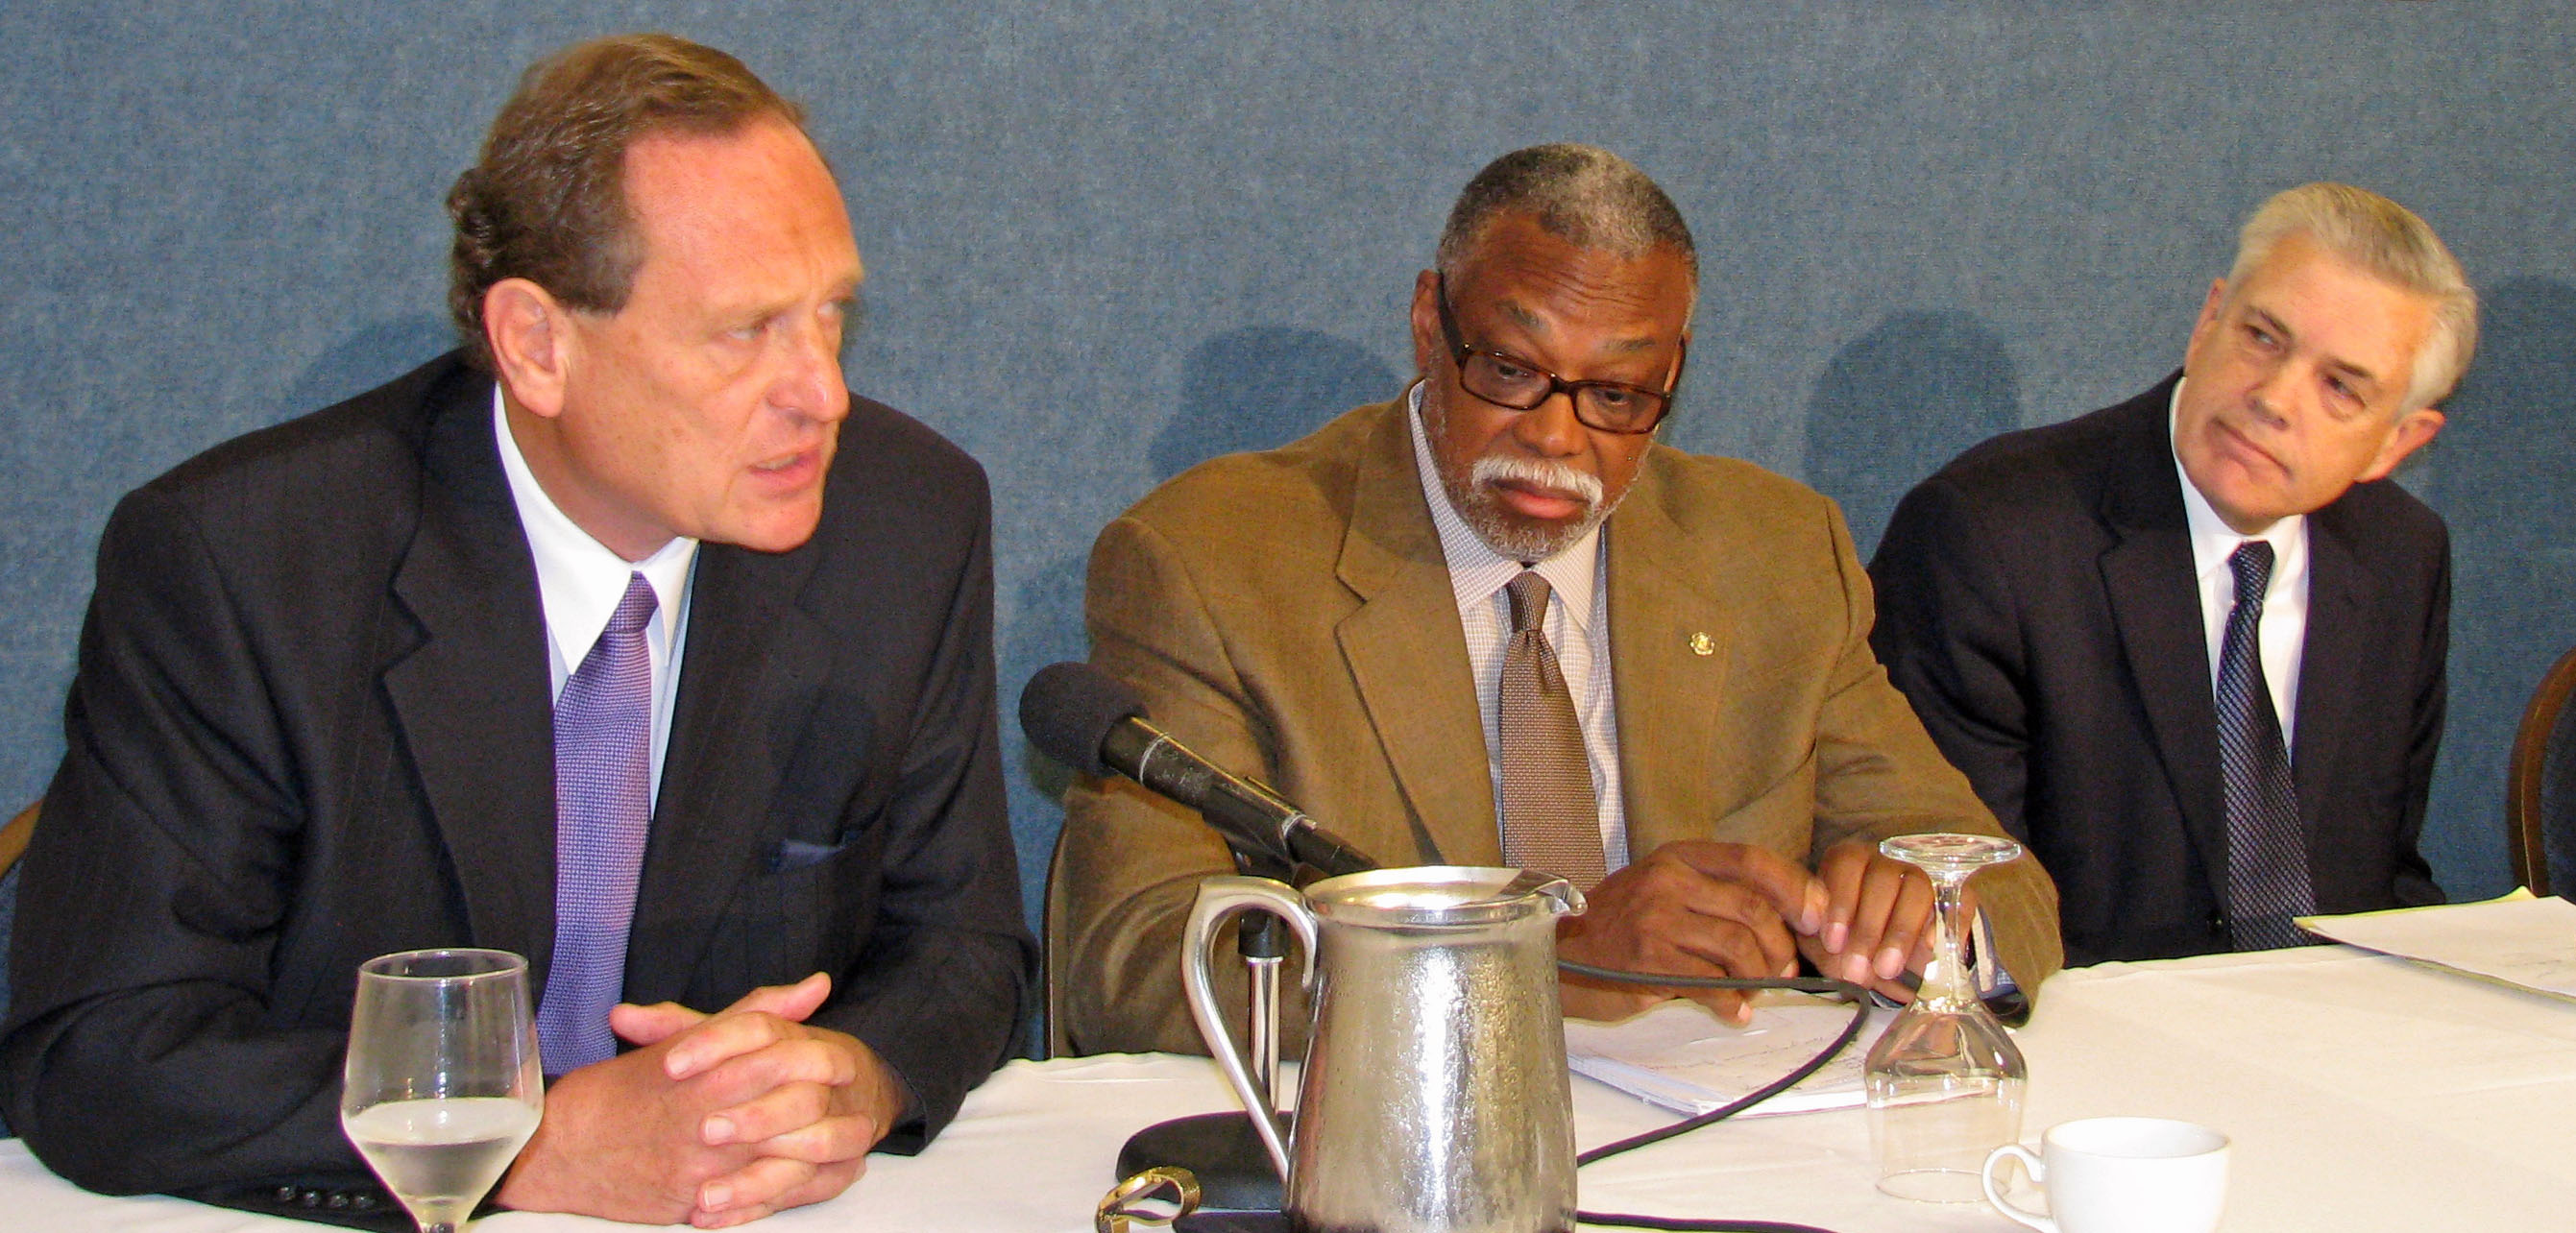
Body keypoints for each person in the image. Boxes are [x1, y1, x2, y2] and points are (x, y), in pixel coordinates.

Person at [0, 34, 1031, 1229]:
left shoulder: (905, 523)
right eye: (746, 331)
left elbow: (963, 946)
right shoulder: (245, 566)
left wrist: (853, 1075)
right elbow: (102, 1046)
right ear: (538, 345)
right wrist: (528, 1140)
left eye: (830, 314)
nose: (824, 393)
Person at [1048, 144, 2062, 1056]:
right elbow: (1136, 962)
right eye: (1510, 370)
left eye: (1615, 394)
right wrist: (1548, 964)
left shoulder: (1777, 556)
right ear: (1429, 324)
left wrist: (1926, 923)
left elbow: (2006, 890)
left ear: (1673, 373)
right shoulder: (1211, 566)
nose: (1556, 436)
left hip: (1713, 1133)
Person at [1870, 183, 2472, 965]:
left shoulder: (2401, 555)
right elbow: (1958, 913)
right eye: (2263, 337)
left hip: (2333, 1024)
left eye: (2340, 387)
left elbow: (2381, 880)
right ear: (2208, 320)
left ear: (2398, 442)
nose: (2274, 399)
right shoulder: (1991, 537)